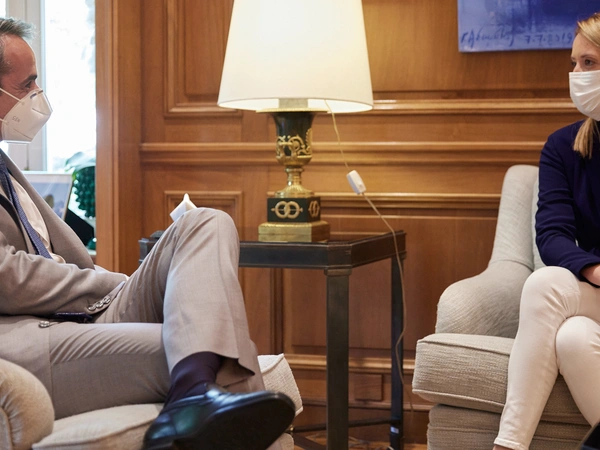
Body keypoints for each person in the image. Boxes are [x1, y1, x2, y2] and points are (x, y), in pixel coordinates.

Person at [0, 17, 294, 450]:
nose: (37, 95)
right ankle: (195, 398)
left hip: (80, 314)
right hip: (27, 340)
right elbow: (7, 276)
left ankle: (192, 400)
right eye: (27, 85)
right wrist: (112, 285)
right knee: (210, 348)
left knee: (207, 221)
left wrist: (117, 288)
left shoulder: (5, 164)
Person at [493, 11, 600, 450]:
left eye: (589, 63)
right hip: (597, 290)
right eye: (574, 63)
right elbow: (552, 236)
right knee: (564, 322)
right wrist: (595, 271)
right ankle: (509, 444)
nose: (577, 74)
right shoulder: (563, 145)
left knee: (565, 322)